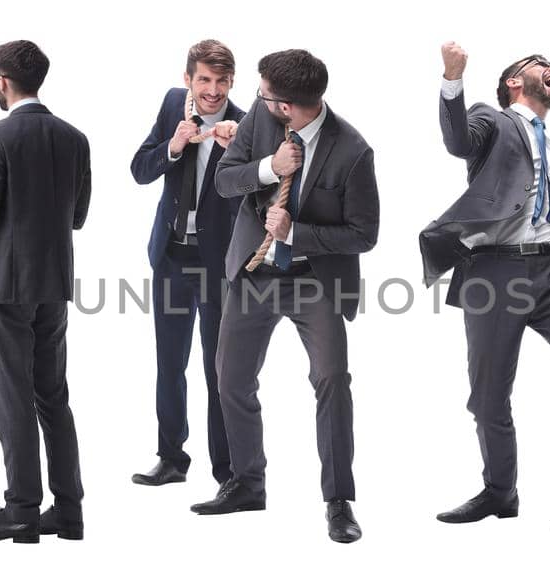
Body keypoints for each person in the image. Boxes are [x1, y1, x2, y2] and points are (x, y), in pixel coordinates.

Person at [189, 49, 379, 544]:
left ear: (290, 106)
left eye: (267, 96)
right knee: (230, 378)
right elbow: (226, 180)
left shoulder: (354, 150)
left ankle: (339, 501)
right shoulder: (259, 117)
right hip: (254, 275)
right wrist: (269, 169)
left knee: (332, 378)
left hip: (313, 278)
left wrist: (298, 233)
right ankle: (248, 484)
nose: (259, 100)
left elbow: (364, 234)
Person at [419, 42, 550, 528]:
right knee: (488, 395)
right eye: (540, 63)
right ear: (512, 82)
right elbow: (458, 140)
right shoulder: (494, 121)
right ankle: (500, 491)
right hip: (494, 272)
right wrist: (451, 79)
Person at [0, 40, 91, 544]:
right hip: (54, 283)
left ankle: (21, 510)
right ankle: (69, 511)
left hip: (6, 283)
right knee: (52, 397)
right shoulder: (75, 138)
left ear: (3, 81)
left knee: (11, 398)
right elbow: (77, 216)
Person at [127, 39, 245, 487]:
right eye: (204, 80)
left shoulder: (250, 123)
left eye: (221, 81)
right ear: (188, 80)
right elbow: (139, 169)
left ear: (233, 82)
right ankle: (172, 457)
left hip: (217, 264)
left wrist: (237, 150)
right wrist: (173, 147)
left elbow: (260, 193)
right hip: (173, 259)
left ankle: (227, 468)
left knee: (219, 369)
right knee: (169, 362)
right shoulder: (173, 105)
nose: (212, 90)